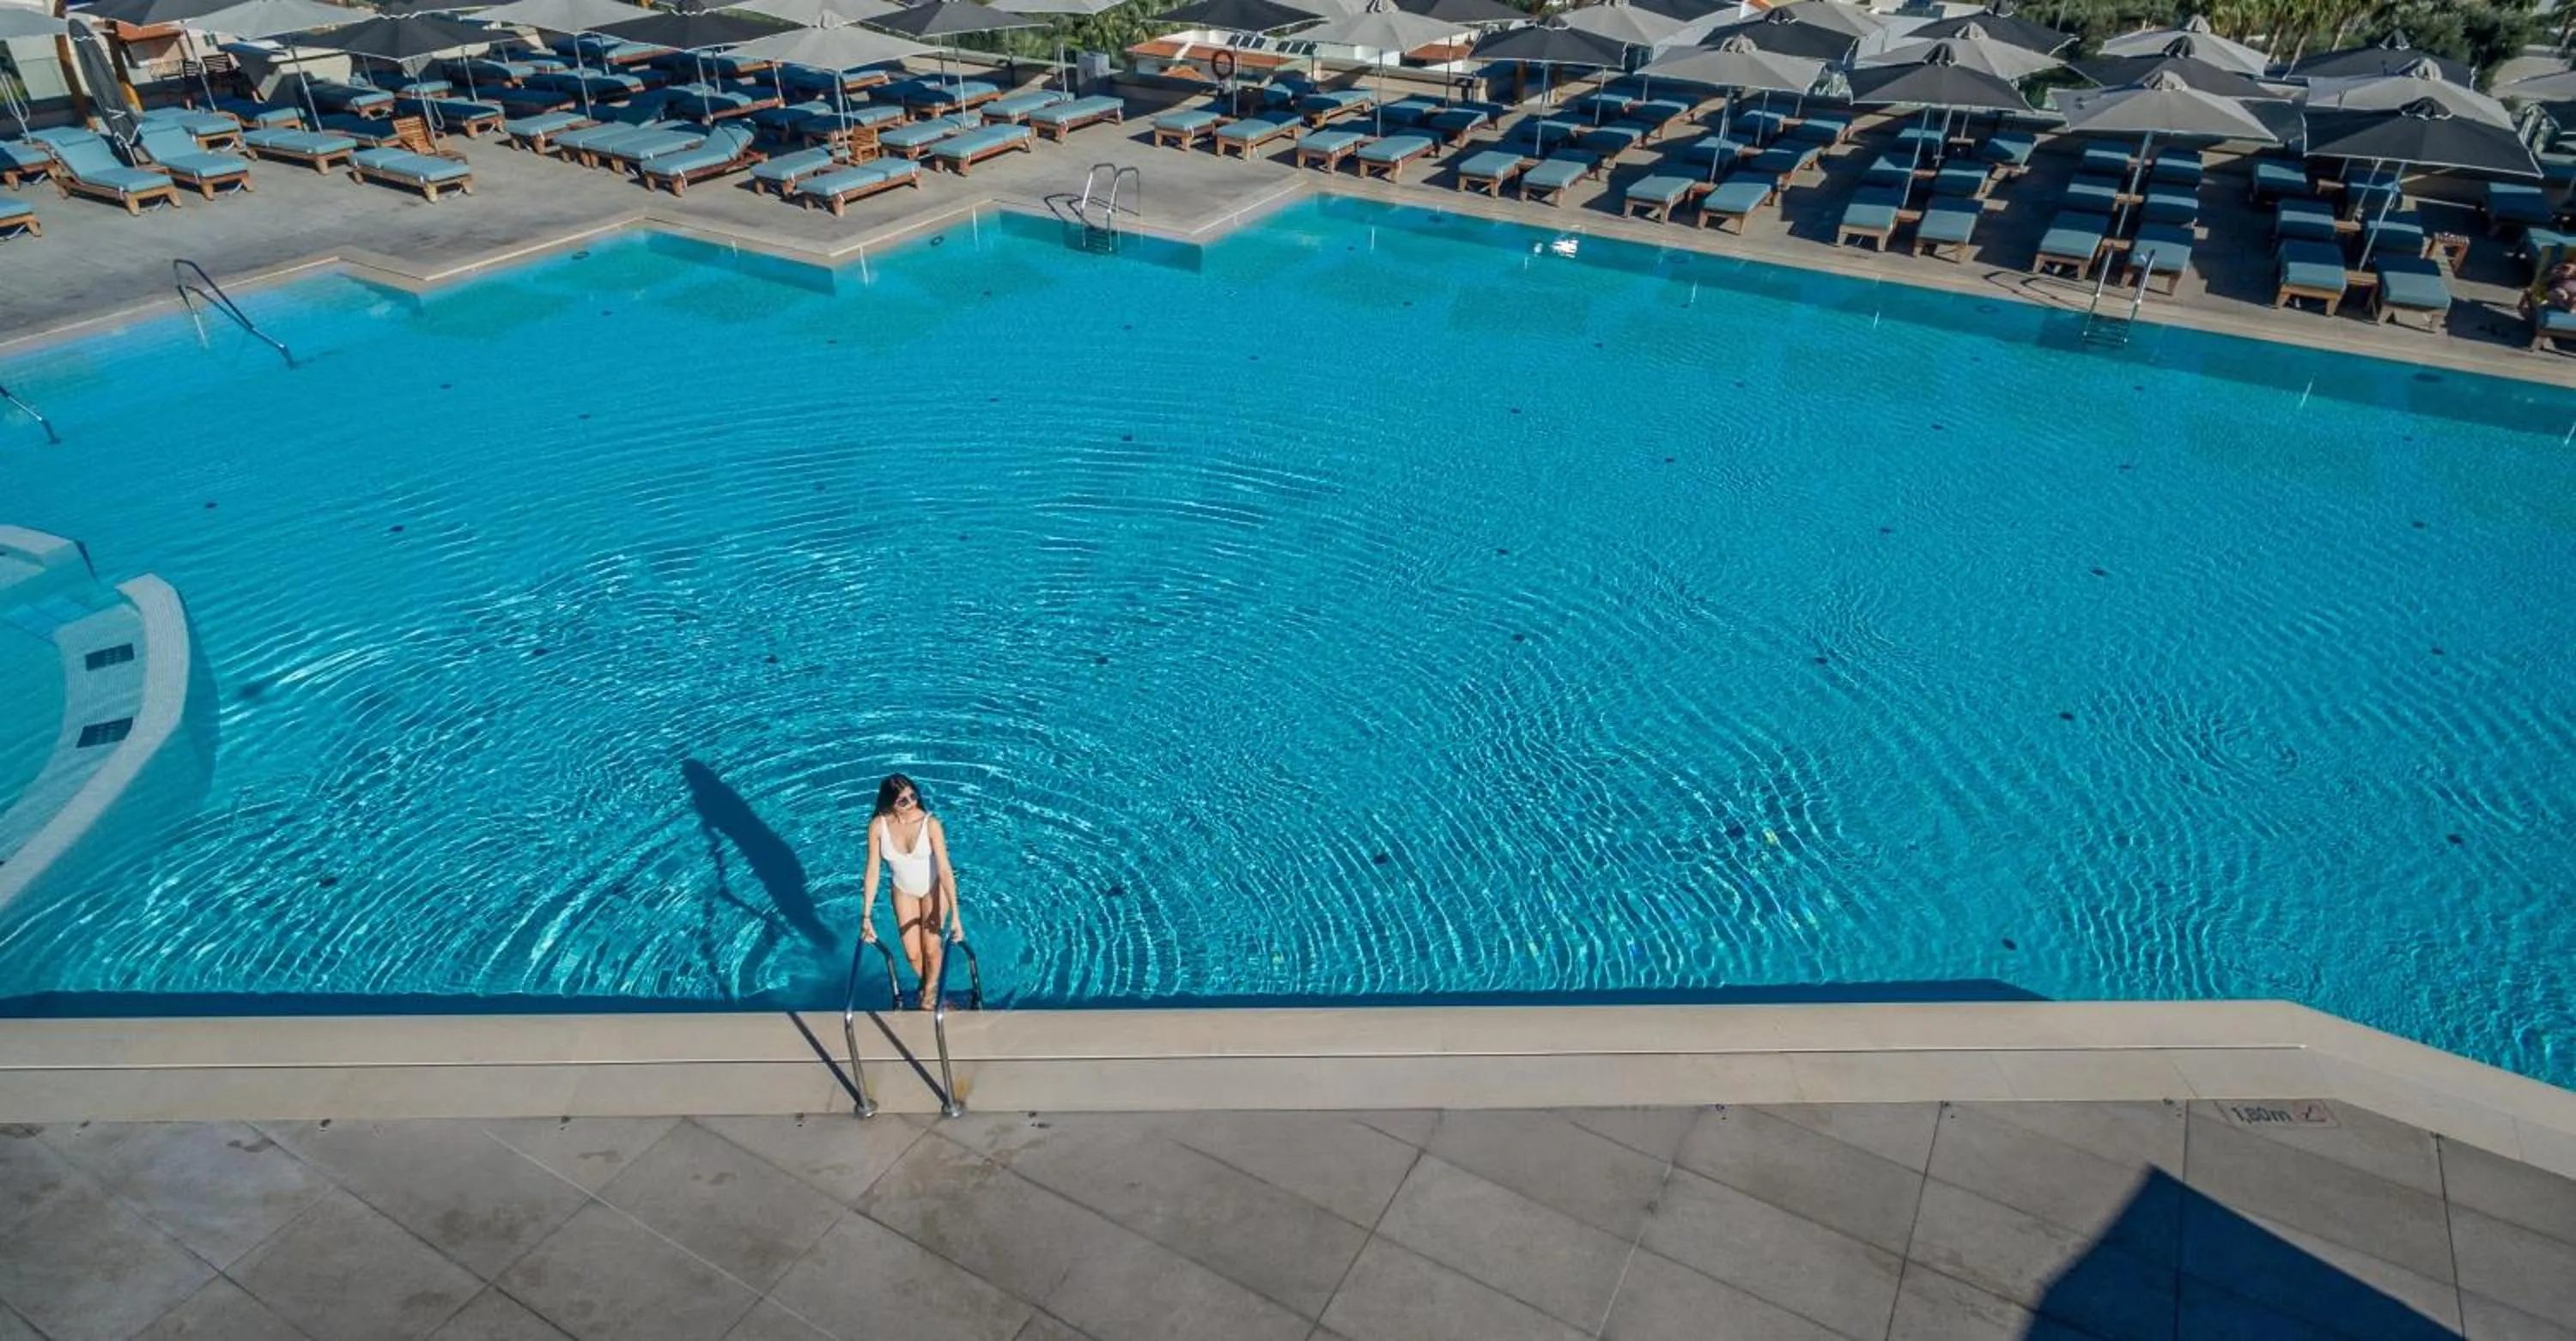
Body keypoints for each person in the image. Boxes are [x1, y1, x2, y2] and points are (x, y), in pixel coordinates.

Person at [860, 774, 963, 1010]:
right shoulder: (878, 826)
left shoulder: (930, 825)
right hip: (903, 891)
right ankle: (932, 988)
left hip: (933, 889)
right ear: (890, 803)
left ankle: (929, 996)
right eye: (903, 800)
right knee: (913, 956)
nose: (911, 802)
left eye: (913, 796)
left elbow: (946, 870)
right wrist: (866, 916)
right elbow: (872, 871)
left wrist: (956, 916)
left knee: (931, 948)